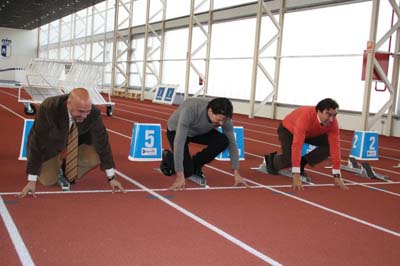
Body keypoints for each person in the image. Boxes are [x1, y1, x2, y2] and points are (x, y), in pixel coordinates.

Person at [18, 88, 125, 198]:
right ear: (69, 103)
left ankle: (66, 168)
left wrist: (111, 177)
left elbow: (103, 142)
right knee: (48, 180)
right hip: (50, 146)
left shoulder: (93, 113)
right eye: (80, 112)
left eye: (87, 112)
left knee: (95, 155)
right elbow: (37, 142)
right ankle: (56, 165)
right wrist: (32, 180)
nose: (84, 116)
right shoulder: (49, 107)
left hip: (75, 145)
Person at [160, 97, 248, 190]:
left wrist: (236, 172)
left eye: (224, 120)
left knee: (223, 141)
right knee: (186, 172)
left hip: (200, 131)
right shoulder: (191, 108)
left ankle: (195, 164)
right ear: (210, 111)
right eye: (219, 120)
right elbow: (179, 143)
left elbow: (232, 143)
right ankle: (168, 156)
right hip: (176, 130)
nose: (221, 123)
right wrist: (179, 174)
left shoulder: (224, 117)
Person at [264, 98, 348, 191]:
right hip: (288, 130)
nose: (331, 119)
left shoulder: (332, 123)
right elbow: (297, 145)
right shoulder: (305, 117)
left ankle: (300, 164)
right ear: (318, 111)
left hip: (311, 134)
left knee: (328, 146)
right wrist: (296, 175)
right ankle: (271, 160)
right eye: (328, 114)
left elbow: (335, 147)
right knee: (290, 159)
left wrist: (337, 175)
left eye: (334, 115)